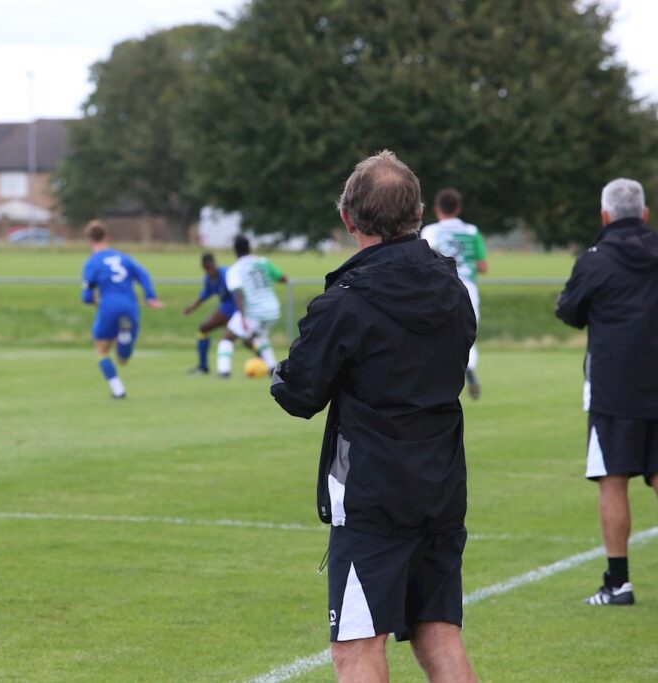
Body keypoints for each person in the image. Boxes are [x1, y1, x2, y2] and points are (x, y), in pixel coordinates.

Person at [270, 151, 477, 682]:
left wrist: (283, 369)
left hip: (374, 494)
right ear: (417, 214)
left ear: (348, 219)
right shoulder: (453, 290)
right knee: (437, 633)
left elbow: (299, 394)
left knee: (356, 648)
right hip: (441, 484)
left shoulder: (344, 301)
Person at [555, 178, 658, 607]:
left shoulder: (594, 261)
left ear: (604, 216)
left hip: (613, 386)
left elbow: (568, 311)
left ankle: (618, 583)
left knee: (612, 479)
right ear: (645, 214)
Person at [81, 220, 162, 398]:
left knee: (102, 351)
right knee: (123, 359)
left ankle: (118, 390)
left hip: (108, 305)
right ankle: (124, 338)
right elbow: (143, 274)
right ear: (107, 237)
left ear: (88, 240)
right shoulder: (123, 258)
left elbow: (86, 296)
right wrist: (150, 297)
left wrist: (94, 302)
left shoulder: (92, 263)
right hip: (130, 305)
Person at [421, 189, 488, 399]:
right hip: (468, 286)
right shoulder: (471, 231)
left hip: (439, 286)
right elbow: (483, 266)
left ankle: (435, 375)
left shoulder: (430, 231)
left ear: (436, 209)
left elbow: (425, 260)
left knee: (435, 330)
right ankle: (469, 368)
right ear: (458, 208)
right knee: (468, 332)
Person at [216, 235, 285, 378]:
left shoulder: (235, 270)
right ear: (250, 248)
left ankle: (224, 372)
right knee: (259, 337)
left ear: (235, 251)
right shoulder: (264, 262)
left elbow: (238, 293)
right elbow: (283, 278)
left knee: (227, 338)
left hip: (254, 311)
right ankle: (273, 369)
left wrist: (242, 317)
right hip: (273, 309)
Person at [182, 253, 237, 374]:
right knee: (203, 329)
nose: (209, 271)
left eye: (210, 267)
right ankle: (203, 366)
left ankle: (269, 365)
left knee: (248, 339)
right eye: (206, 268)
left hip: (234, 307)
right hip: (226, 308)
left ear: (214, 264)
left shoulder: (226, 274)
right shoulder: (209, 279)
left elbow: (238, 293)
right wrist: (191, 308)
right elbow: (204, 295)